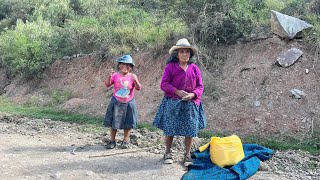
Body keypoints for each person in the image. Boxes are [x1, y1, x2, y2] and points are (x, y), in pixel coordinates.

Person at [153, 38, 206, 166]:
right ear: (177, 54)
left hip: (190, 104)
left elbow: (200, 86)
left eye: (187, 52)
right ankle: (167, 153)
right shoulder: (170, 67)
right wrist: (176, 91)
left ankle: (187, 155)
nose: (184, 54)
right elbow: (164, 84)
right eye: (181, 52)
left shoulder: (194, 69)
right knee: (170, 128)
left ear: (190, 54)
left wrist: (193, 94)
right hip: (173, 102)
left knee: (190, 129)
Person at [104, 54, 141, 149]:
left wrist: (136, 80)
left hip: (129, 102)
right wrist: (109, 76)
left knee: (128, 123)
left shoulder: (132, 76)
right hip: (116, 102)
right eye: (123, 64)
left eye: (128, 65)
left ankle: (125, 141)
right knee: (113, 123)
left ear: (131, 68)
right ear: (119, 65)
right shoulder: (115, 75)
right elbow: (107, 84)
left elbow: (138, 88)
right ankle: (112, 141)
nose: (125, 67)